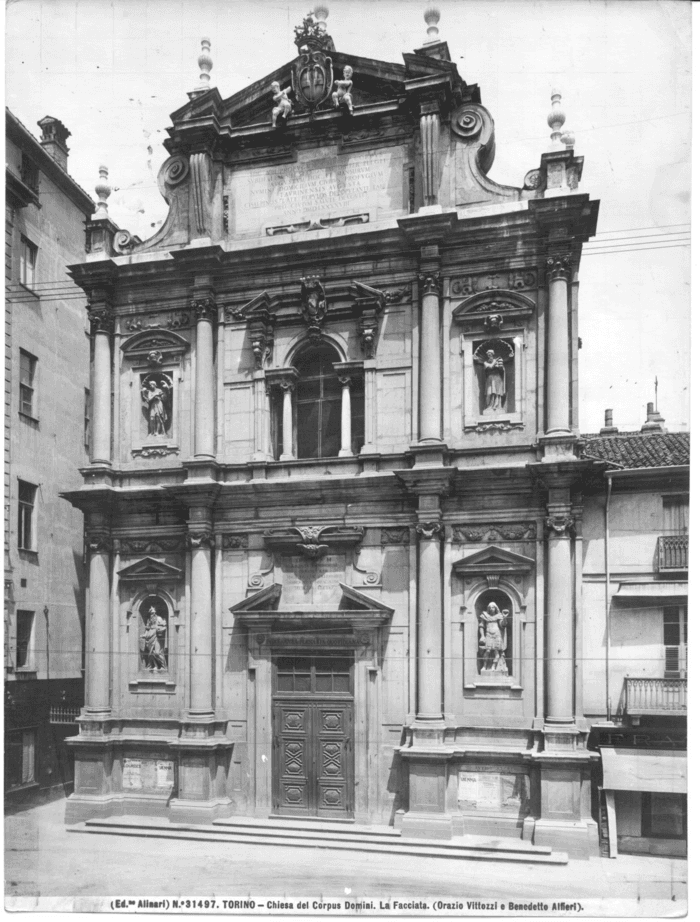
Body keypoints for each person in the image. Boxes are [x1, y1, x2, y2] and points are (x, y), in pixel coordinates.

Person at [478, 602, 509, 673]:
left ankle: (494, 666)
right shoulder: (484, 615)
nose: (492, 609)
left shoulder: (499, 616)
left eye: (493, 607)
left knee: (496, 651)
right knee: (487, 651)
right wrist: (482, 636)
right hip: (488, 634)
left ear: (496, 608)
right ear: (488, 608)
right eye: (490, 607)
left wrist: (504, 617)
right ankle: (484, 666)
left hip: (497, 635)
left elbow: (502, 625)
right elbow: (481, 626)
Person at [141, 606, 167, 671]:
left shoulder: (159, 618)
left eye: (154, 612)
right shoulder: (149, 620)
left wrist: (160, 630)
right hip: (150, 636)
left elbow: (164, 627)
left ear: (156, 612)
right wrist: (144, 635)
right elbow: (147, 629)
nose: (153, 614)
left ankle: (163, 666)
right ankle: (152, 665)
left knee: (157, 653)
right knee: (150, 653)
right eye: (151, 613)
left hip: (156, 636)